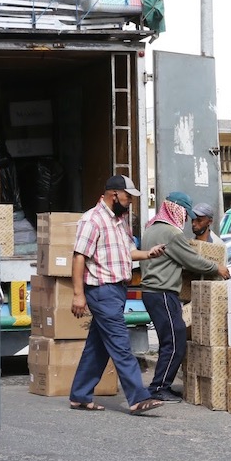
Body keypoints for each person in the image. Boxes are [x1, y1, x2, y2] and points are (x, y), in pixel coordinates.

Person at [69, 175, 167, 415]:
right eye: (128, 197)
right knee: (121, 343)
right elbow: (78, 256)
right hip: (102, 290)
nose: (130, 202)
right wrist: (78, 295)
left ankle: (80, 395)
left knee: (98, 346)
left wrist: (148, 254)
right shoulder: (92, 220)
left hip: (118, 290)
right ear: (114, 195)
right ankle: (138, 397)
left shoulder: (121, 221)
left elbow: (129, 252)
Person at [141, 192, 231, 402]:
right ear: (177, 210)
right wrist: (216, 267)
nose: (186, 219)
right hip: (161, 292)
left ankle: (162, 384)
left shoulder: (151, 228)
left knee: (170, 339)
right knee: (175, 339)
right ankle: (158, 388)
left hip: (154, 293)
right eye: (185, 213)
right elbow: (192, 261)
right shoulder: (171, 233)